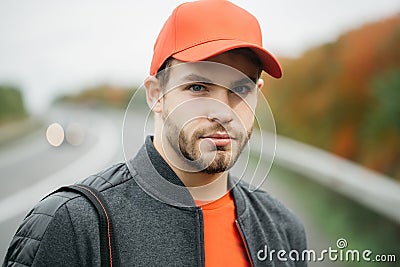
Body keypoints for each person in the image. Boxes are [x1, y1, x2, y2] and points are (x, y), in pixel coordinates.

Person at [3, 0, 307, 266]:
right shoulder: (75, 224)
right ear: (155, 94)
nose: (223, 112)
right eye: (198, 87)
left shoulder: (282, 227)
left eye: (241, 89)